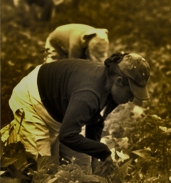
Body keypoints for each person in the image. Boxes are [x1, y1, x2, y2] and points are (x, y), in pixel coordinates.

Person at [0, 52, 150, 171]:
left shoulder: (111, 89)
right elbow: (67, 135)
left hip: (60, 105)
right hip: (32, 100)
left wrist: (96, 159)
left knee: (82, 167)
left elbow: (96, 122)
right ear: (118, 81)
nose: (131, 99)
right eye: (131, 93)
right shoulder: (88, 94)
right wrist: (103, 151)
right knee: (44, 169)